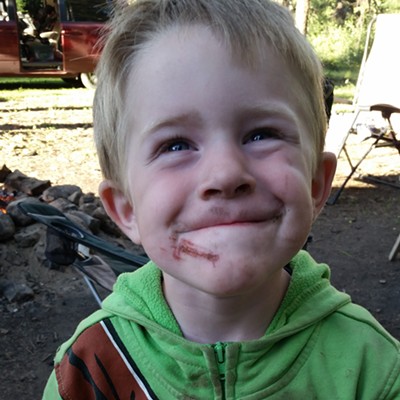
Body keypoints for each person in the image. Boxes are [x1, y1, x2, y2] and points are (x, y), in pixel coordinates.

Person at [43, 0, 400, 398]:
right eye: (176, 144)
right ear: (126, 209)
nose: (226, 174)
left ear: (316, 185)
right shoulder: (90, 370)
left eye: (261, 134)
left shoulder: (374, 368)